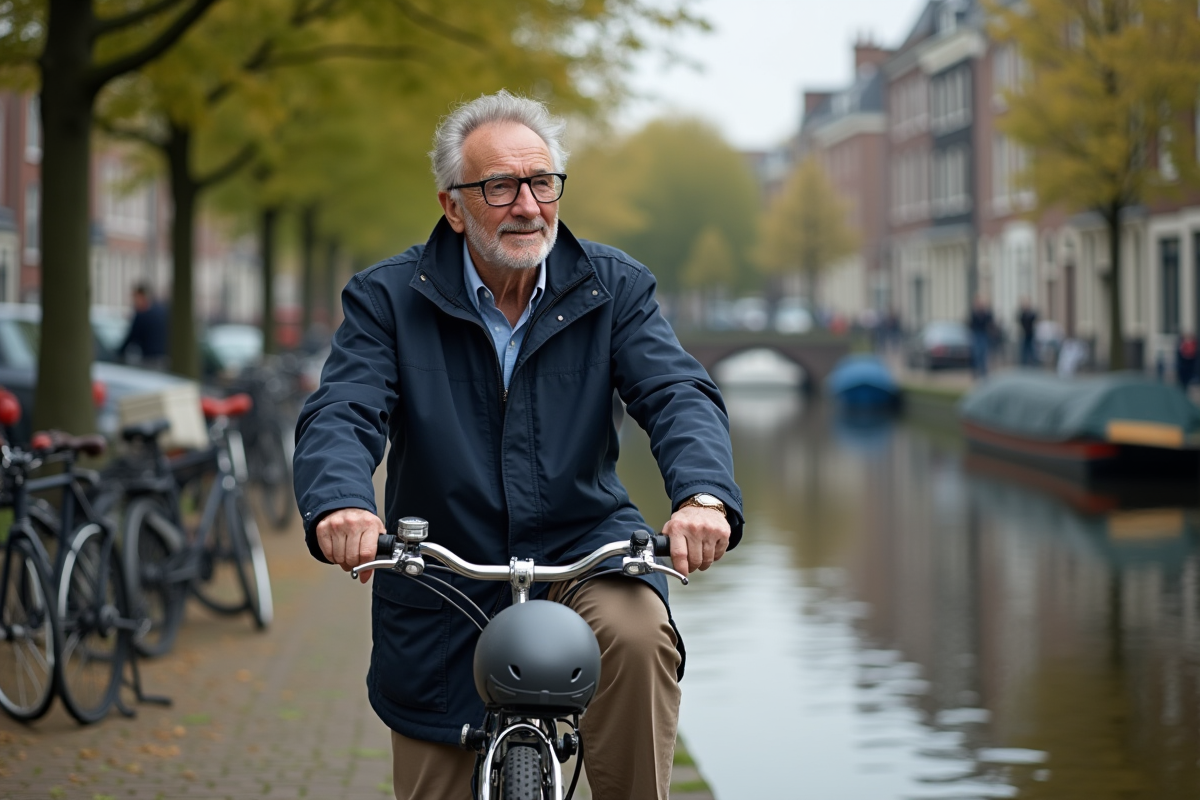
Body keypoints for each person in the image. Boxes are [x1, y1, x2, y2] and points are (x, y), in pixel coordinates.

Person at [292, 91, 743, 800]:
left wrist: (703, 496)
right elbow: (342, 410)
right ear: (452, 206)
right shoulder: (386, 299)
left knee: (637, 636)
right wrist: (343, 502)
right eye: (499, 186)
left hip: (584, 550)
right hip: (442, 568)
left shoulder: (614, 288)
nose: (528, 205)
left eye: (542, 183)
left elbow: (678, 394)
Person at [118, 283, 169, 369]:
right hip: (165, 358)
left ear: (141, 296)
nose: (134, 301)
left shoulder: (142, 314)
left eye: (135, 297)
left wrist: (118, 354)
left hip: (149, 360)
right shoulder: (162, 310)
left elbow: (131, 337)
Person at [968, 295, 994, 378]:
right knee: (976, 354)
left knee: (983, 354)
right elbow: (970, 323)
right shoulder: (974, 313)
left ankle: (984, 373)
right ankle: (975, 372)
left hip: (984, 335)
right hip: (976, 334)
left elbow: (990, 322)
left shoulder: (986, 313)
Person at [1016, 298, 1038, 366]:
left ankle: (1033, 362)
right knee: (1023, 349)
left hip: (1030, 334)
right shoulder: (1022, 314)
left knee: (1031, 348)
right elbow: (1019, 319)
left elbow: (1034, 318)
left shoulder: (1031, 313)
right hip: (1024, 334)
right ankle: (1024, 362)